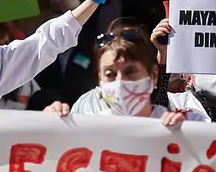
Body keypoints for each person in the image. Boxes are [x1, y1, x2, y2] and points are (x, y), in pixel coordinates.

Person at [43, 22, 191, 126]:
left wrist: (186, 141)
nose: (120, 81)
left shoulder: (180, 126)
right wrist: (51, 128)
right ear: (99, 79)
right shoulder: (84, 125)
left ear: (153, 75)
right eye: (110, 73)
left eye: (130, 71)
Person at [35, 0, 97, 104]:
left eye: (63, 13)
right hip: (53, 110)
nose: (59, 18)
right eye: (55, 12)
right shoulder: (43, 41)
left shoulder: (90, 42)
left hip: (82, 107)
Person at [0, 23, 43, 110]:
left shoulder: (22, 73)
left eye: (6, 44)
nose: (2, 52)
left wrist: (51, 104)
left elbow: (38, 96)